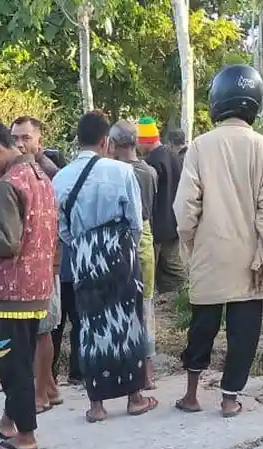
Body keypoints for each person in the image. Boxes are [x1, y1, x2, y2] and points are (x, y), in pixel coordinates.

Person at [174, 65, 263, 418]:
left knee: (202, 326)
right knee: (245, 331)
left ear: (217, 101)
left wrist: (189, 243)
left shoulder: (200, 147)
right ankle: (229, 400)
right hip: (252, 256)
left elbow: (185, 206)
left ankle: (191, 395)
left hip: (209, 251)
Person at [53, 111, 156, 423]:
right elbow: (136, 221)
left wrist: (83, 244)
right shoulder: (121, 172)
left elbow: (62, 229)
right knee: (127, 319)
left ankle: (96, 404)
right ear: (105, 141)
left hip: (83, 252)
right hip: (119, 248)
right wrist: (122, 244)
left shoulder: (61, 178)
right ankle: (135, 397)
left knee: (91, 323)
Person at [0, 121, 58, 449]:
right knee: (24, 353)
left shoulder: (8, 185)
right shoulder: (40, 177)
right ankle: (10, 420)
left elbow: (7, 243)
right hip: (38, 284)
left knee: (12, 362)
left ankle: (25, 436)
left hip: (13, 289)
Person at [12, 116, 64, 411]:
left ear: (39, 140)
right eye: (16, 138)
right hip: (31, 265)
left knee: (43, 330)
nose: (20, 144)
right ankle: (51, 389)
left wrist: (54, 262)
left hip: (44, 264)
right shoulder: (20, 171)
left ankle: (41, 393)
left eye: (26, 138)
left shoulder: (47, 174)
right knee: (36, 331)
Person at [108, 120, 159, 390]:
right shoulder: (149, 172)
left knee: (121, 305)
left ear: (113, 143)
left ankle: (126, 369)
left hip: (122, 238)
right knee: (146, 305)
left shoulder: (113, 173)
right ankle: (148, 371)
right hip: (146, 238)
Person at [142, 120, 185, 294]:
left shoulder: (152, 161)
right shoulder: (173, 154)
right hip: (175, 219)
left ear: (144, 140)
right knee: (172, 265)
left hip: (158, 223)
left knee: (155, 268)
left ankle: (184, 296)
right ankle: (179, 297)